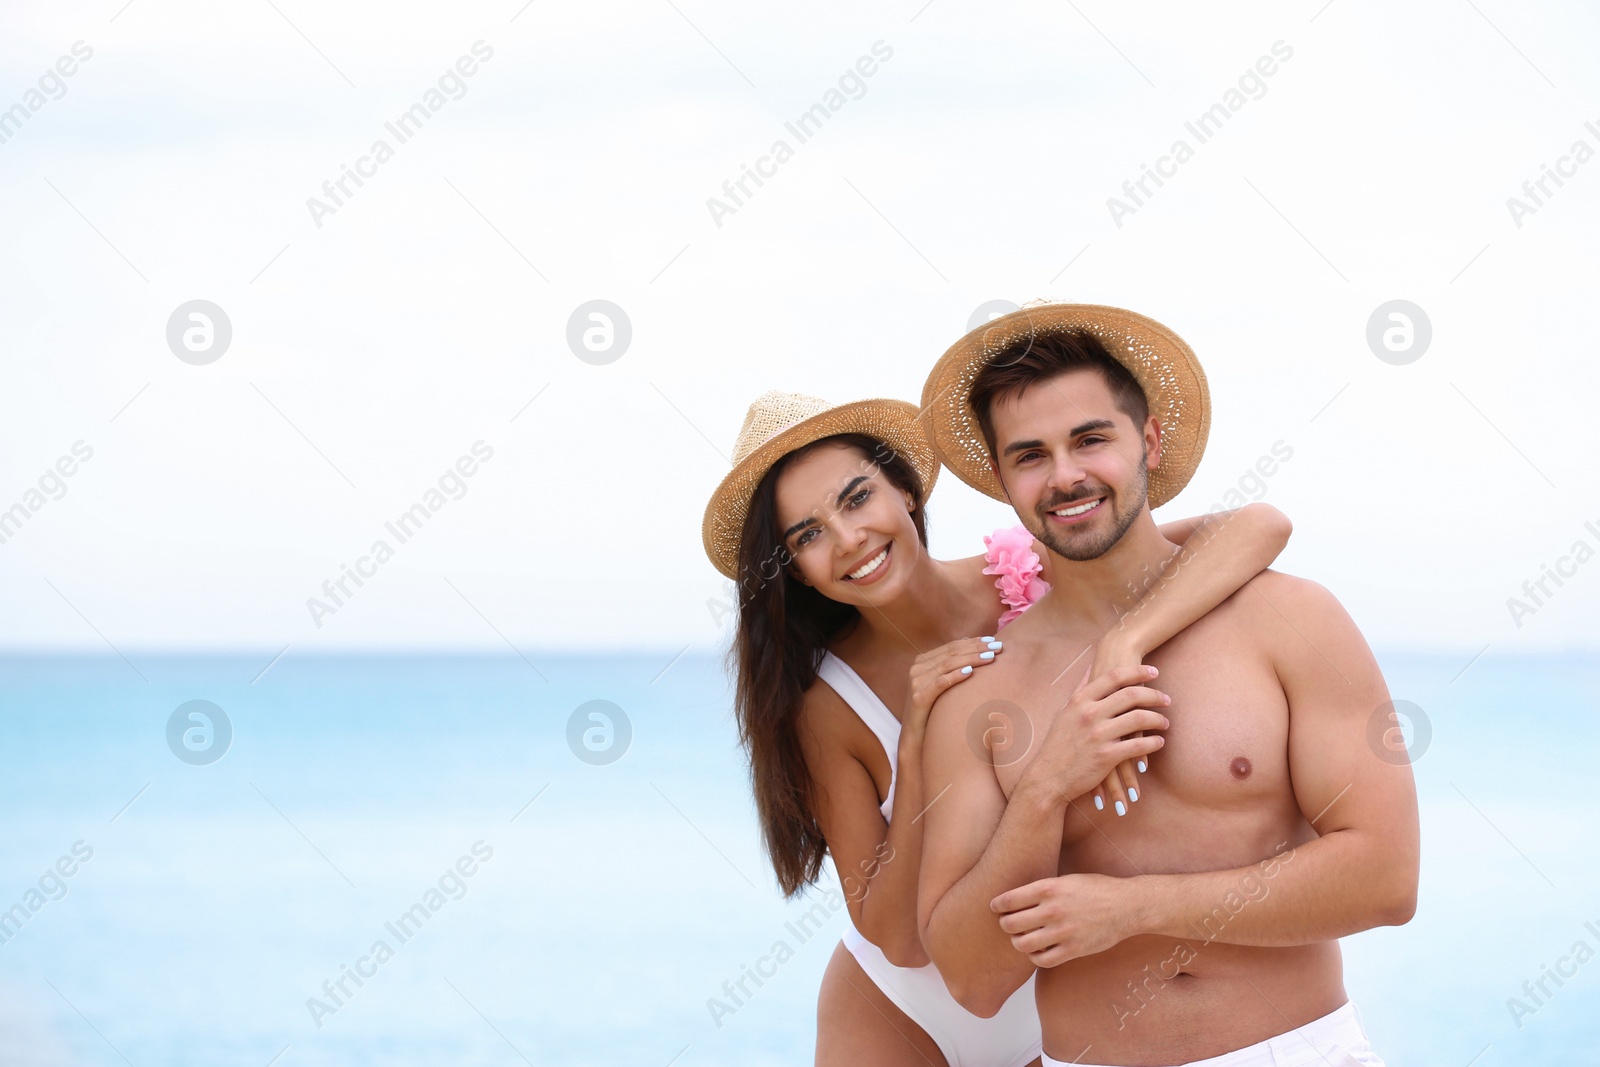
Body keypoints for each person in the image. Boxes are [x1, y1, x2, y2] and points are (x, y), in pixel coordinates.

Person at [701, 388, 1293, 1066]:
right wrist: (921, 737)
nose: (847, 539)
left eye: (857, 498)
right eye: (806, 535)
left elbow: (1258, 525)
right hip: (900, 1015)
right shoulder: (829, 705)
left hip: (1052, 1001)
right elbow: (897, 937)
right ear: (796, 572)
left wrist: (1123, 641)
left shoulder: (1041, 573)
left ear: (907, 491)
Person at [916, 304, 1419, 1067]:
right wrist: (1046, 786)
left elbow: (1386, 879)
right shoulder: (980, 693)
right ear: (1001, 479)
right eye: (1030, 455)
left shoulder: (1288, 618)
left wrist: (1135, 909)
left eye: (1091, 439)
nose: (1066, 475)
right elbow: (971, 976)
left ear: (1147, 440)